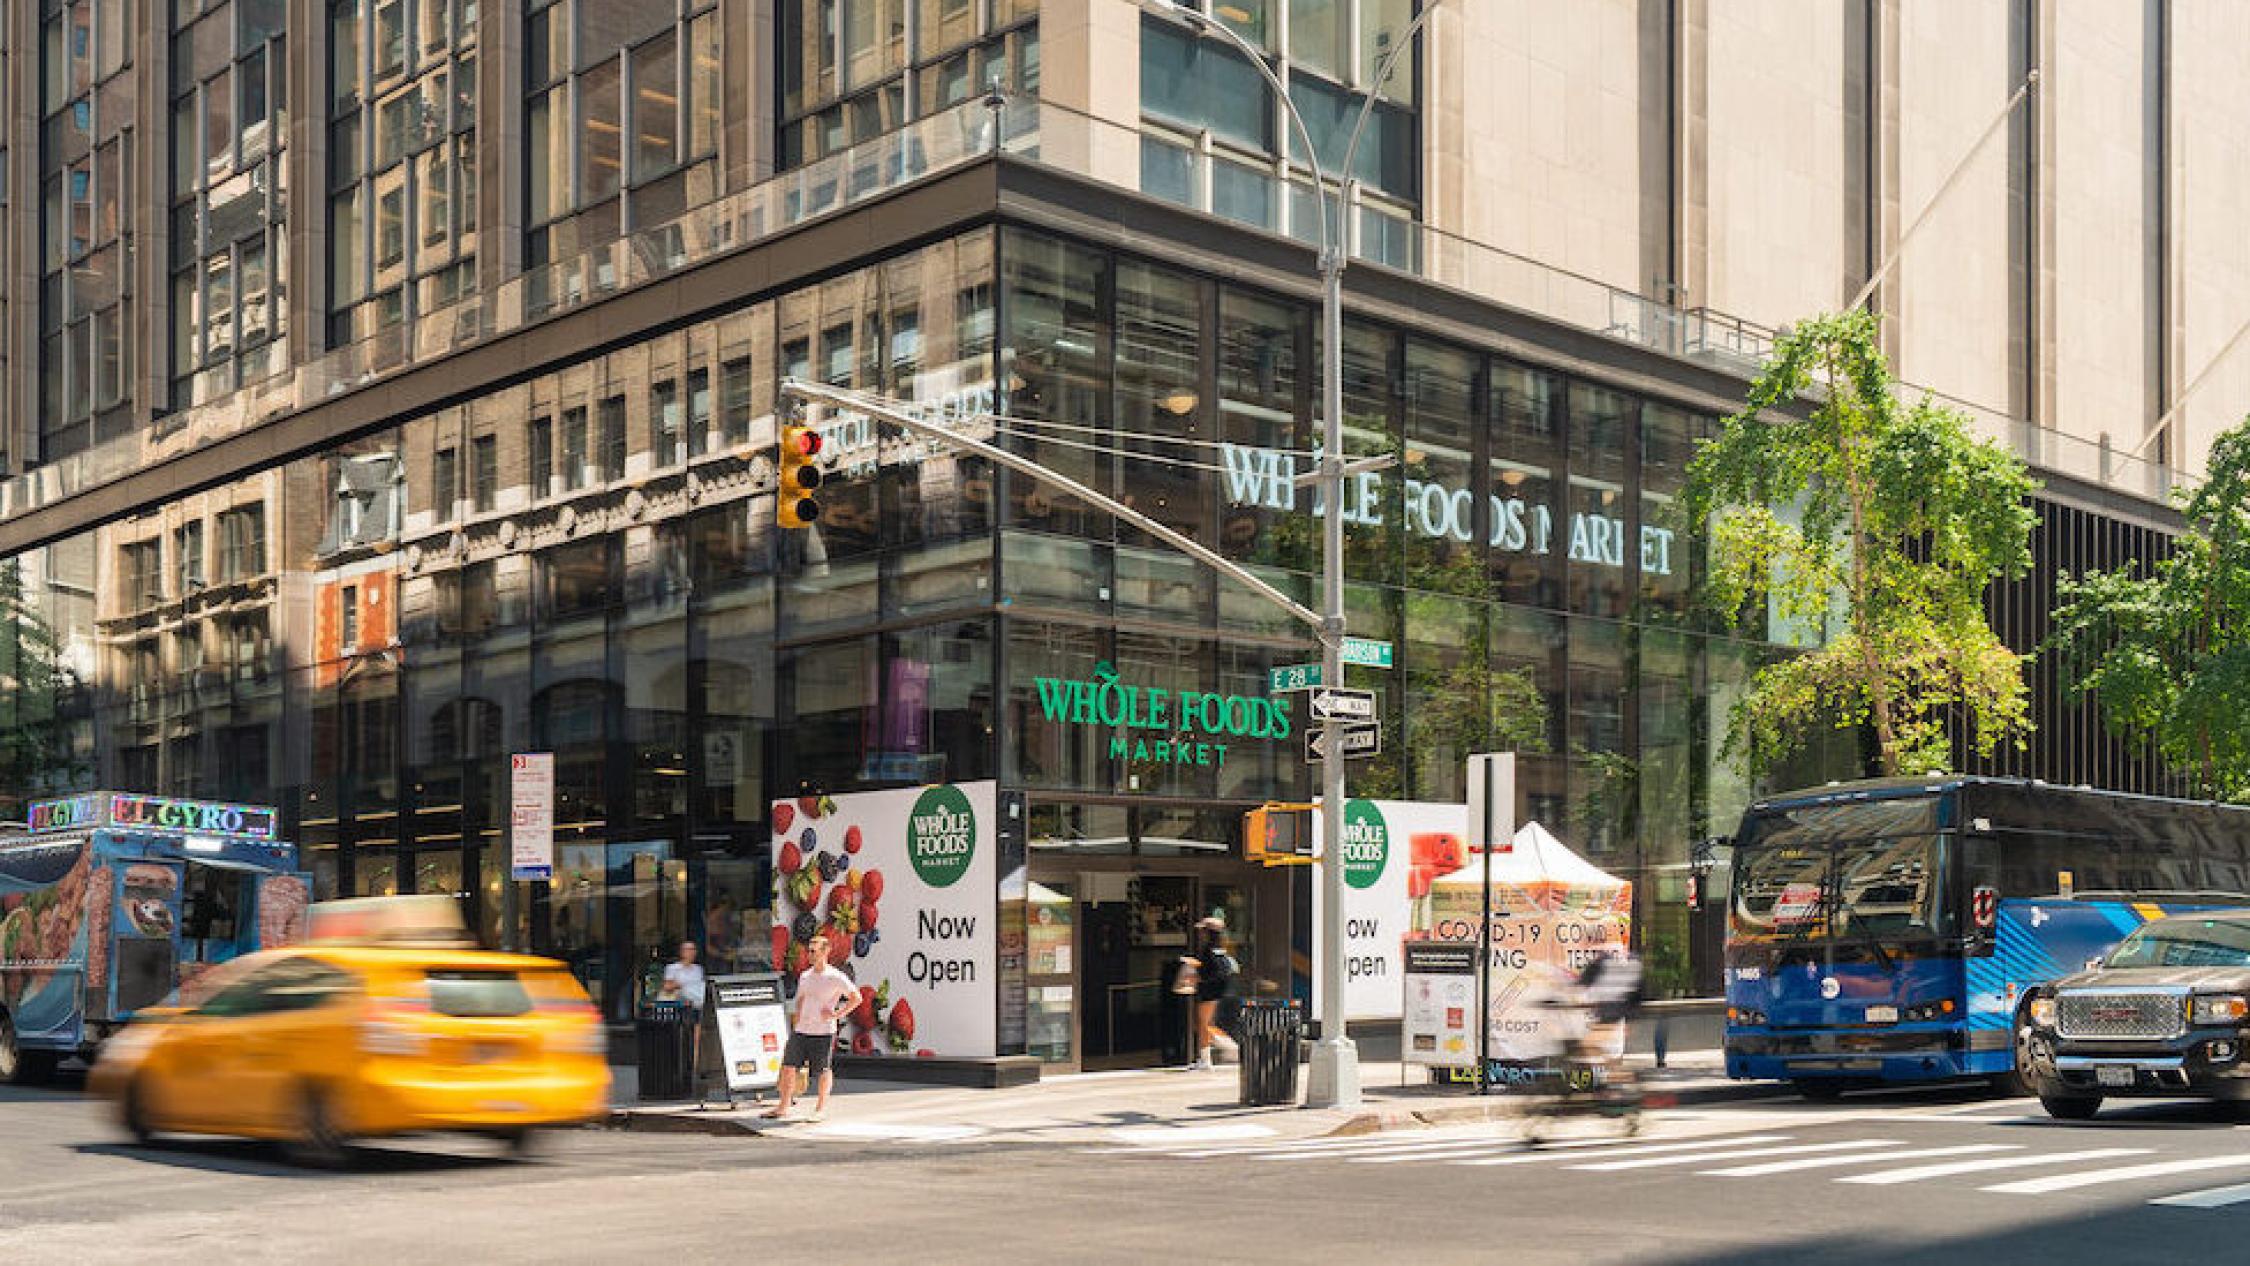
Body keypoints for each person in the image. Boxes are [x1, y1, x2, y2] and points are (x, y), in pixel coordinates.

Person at [765, 933, 858, 1120]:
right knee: (788, 1067)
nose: (810, 955)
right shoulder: (805, 976)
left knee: (822, 1070)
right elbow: (800, 1000)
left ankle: (820, 1109)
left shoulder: (835, 976)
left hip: (823, 1031)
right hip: (801, 1030)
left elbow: (856, 998)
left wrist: (837, 1014)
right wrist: (797, 1021)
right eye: (809, 951)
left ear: (826, 952)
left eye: (814, 951)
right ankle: (782, 1107)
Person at [1189, 916, 1238, 1071]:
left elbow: (1213, 971)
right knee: (1203, 1024)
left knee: (1203, 1024)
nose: (1201, 934)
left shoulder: (1209, 950)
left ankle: (1225, 1048)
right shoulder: (1219, 948)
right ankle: (1205, 1058)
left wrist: (1198, 976)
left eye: (1203, 930)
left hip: (1210, 991)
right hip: (1215, 990)